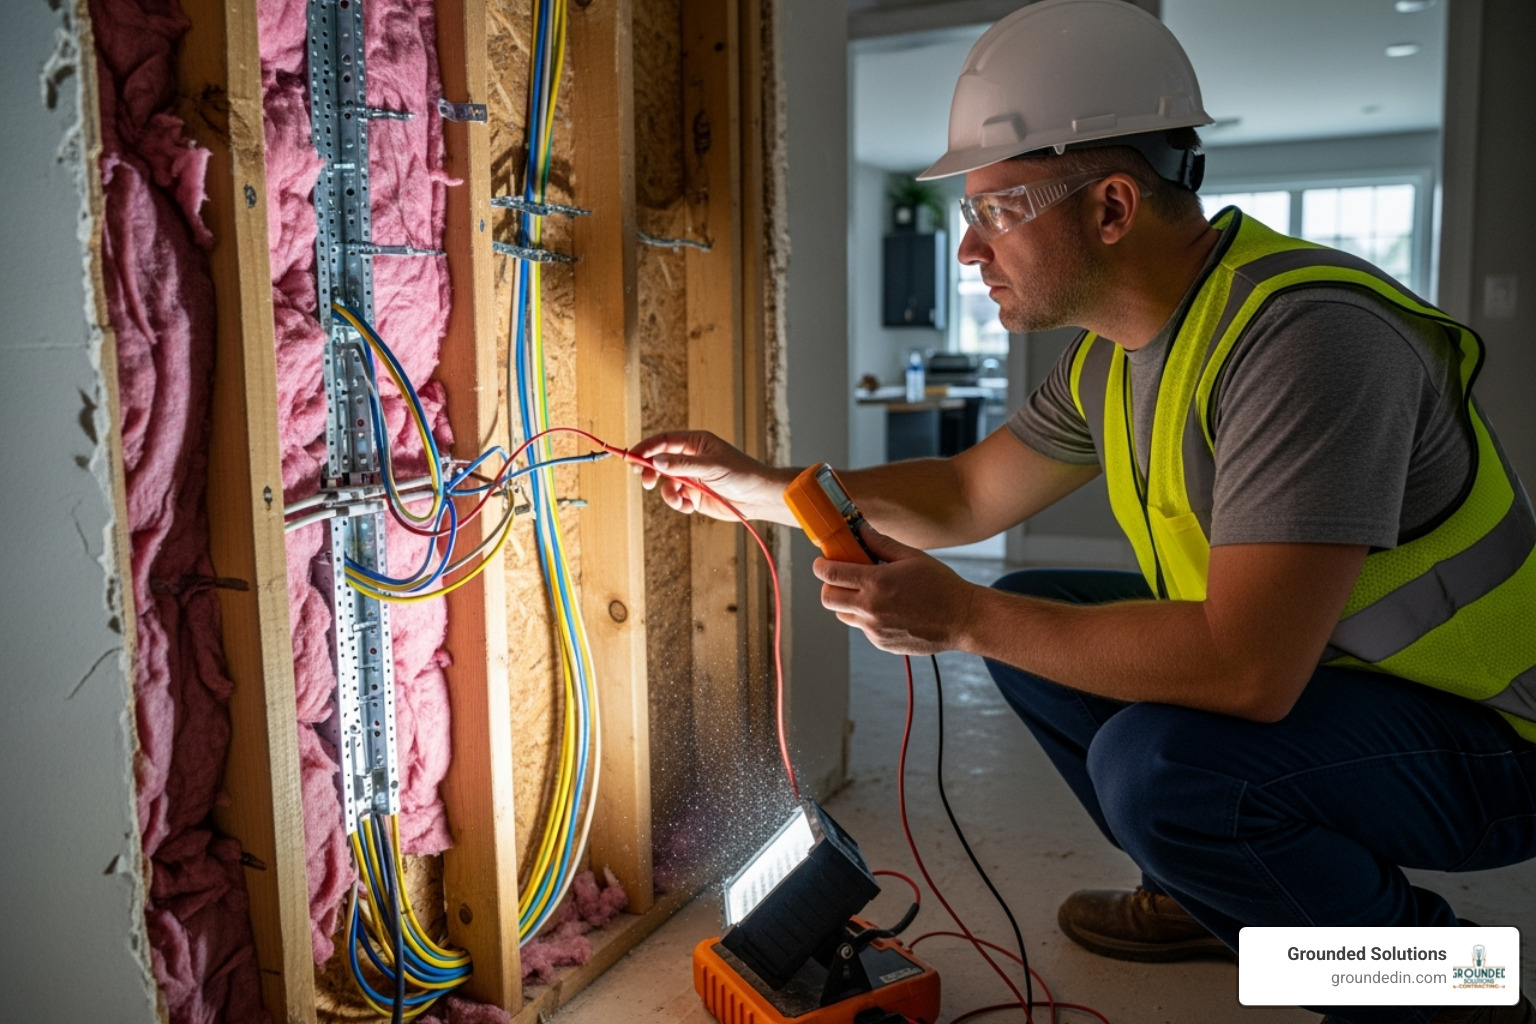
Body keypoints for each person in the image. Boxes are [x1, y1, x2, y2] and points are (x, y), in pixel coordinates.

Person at [631, 2, 1536, 1022]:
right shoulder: (1115, 353)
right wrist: (762, 488)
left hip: (1493, 735)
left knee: (1160, 771)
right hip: (1344, 680)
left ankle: (1445, 991)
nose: (968, 249)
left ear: (1111, 207)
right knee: (1043, 612)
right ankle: (1216, 896)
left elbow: (1248, 670)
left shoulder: (1308, 342)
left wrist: (963, 618)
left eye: (996, 210)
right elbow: (968, 494)